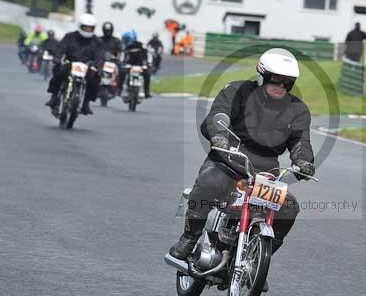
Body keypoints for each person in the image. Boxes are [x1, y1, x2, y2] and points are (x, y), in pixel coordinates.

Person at [168, 48, 315, 260]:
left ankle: (257, 260)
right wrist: (219, 135)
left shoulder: (298, 109)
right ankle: (189, 237)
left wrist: (303, 161)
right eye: (276, 79)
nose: (281, 86)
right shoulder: (237, 91)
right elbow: (219, 114)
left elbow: (301, 141)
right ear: (262, 75)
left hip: (266, 171)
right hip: (228, 159)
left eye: (287, 82)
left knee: (289, 207)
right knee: (209, 182)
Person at [45, 13, 103, 116]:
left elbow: (99, 55)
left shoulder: (96, 41)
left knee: (95, 79)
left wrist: (99, 67)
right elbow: (61, 48)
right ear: (80, 26)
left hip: (87, 66)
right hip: (70, 63)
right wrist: (57, 58)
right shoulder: (70, 37)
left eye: (90, 28)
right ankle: (54, 97)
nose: (88, 30)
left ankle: (86, 103)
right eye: (86, 27)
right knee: (58, 71)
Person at [120, 31, 152, 99]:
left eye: (126, 39)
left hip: (140, 65)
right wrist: (121, 63)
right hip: (129, 65)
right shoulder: (125, 47)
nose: (124, 41)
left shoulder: (141, 45)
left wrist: (148, 63)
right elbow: (122, 56)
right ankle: (119, 89)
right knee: (122, 73)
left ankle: (146, 91)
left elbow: (148, 54)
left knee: (147, 74)